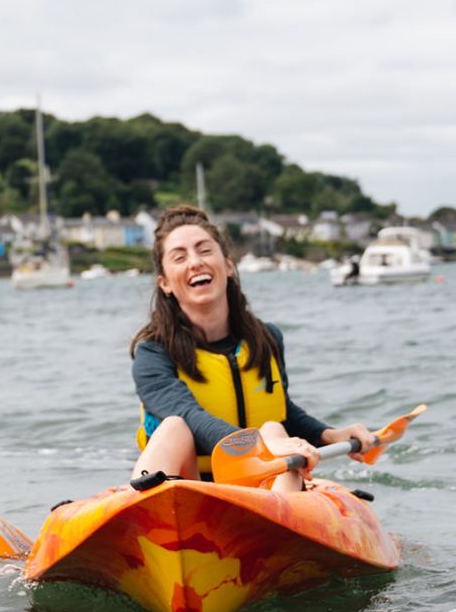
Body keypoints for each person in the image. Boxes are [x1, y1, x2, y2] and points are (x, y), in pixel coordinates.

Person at [130, 205, 374, 493]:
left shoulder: (266, 338)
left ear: (229, 266)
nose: (195, 262)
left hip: (259, 491)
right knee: (173, 427)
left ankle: (281, 524)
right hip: (189, 488)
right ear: (165, 283)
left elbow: (283, 410)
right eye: (180, 257)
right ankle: (149, 521)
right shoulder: (152, 354)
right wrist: (262, 446)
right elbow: (189, 416)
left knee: (273, 426)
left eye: (205, 250)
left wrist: (330, 435)